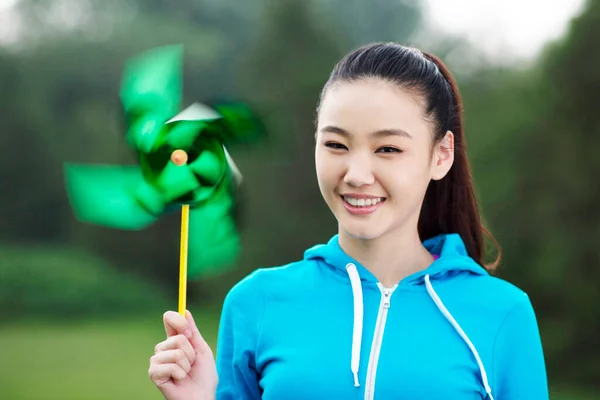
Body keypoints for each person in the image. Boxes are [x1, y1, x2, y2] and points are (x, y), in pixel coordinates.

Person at [148, 42, 549, 400]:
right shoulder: (256, 302)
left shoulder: (503, 314)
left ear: (441, 155)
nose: (357, 174)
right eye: (336, 144)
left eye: (388, 148)